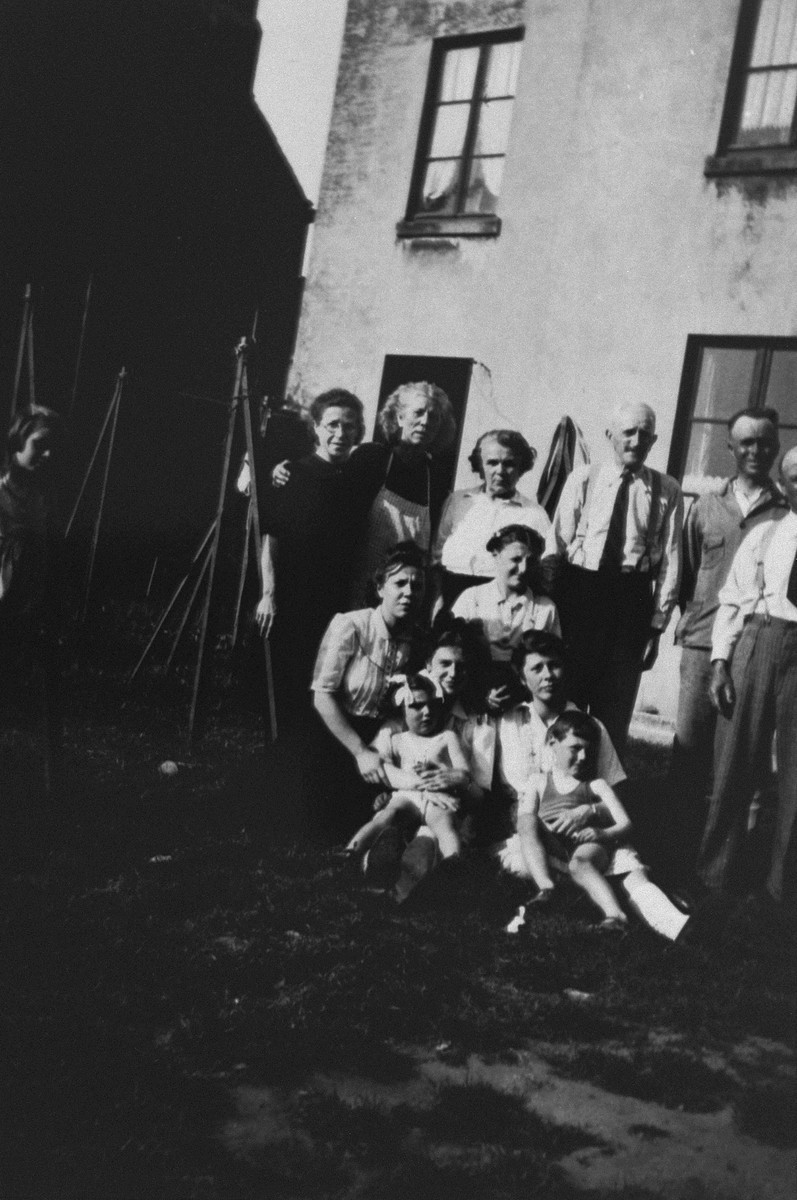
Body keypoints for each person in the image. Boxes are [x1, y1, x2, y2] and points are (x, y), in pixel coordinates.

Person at [671, 407, 784, 862]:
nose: (756, 450)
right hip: (702, 644)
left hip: (752, 649)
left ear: (776, 448)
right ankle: (675, 849)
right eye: (747, 442)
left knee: (737, 759)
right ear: (731, 447)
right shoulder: (706, 505)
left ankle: (722, 857)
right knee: (689, 751)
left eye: (765, 443)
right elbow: (687, 572)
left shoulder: (786, 511)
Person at [546, 401, 683, 755]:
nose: (636, 441)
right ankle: (560, 786)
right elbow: (556, 547)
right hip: (580, 594)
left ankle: (604, 796)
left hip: (630, 601)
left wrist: (656, 626)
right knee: (569, 700)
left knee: (614, 710)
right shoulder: (584, 478)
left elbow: (670, 561)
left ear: (654, 440)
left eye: (645, 434)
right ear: (610, 436)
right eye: (628, 432)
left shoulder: (666, 490)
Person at [697, 446, 797, 908]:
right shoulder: (767, 533)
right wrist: (721, 661)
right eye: (795, 478)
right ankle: (717, 874)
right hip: (760, 642)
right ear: (784, 484)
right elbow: (733, 601)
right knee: (736, 760)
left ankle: (782, 886)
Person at [511, 712, 689, 939]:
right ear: (552, 743)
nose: (584, 756)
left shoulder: (596, 785)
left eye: (589, 749)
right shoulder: (538, 781)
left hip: (589, 844)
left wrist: (600, 832)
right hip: (552, 845)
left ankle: (615, 916)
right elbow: (525, 819)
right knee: (526, 821)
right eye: (575, 748)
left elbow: (625, 824)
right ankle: (546, 888)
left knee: (580, 863)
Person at [255, 389, 366, 726]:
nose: (340, 433)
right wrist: (268, 594)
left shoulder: (358, 481)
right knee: (288, 676)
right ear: (317, 428)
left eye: (349, 426)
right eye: (332, 424)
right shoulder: (295, 474)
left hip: (336, 596)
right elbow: (271, 538)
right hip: (293, 592)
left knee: (326, 676)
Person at [311, 541, 426, 837]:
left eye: (417, 586)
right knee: (328, 827)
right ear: (380, 588)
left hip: (381, 738)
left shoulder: (416, 640)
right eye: (399, 583)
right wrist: (361, 752)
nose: (409, 593)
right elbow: (322, 696)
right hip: (336, 735)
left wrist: (380, 746)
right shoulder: (351, 625)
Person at [0, 406, 65, 795]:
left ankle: (51, 793)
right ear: (16, 444)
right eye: (39, 446)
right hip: (6, 613)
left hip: (41, 615)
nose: (47, 455)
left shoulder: (46, 499)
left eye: (52, 448)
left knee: (47, 707)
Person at [346, 674, 470, 876]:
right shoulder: (397, 740)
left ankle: (453, 867)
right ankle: (349, 854)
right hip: (407, 796)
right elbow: (385, 774)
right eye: (417, 706)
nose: (427, 712)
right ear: (401, 710)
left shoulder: (447, 737)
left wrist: (445, 775)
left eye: (432, 705)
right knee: (387, 815)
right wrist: (384, 796)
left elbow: (464, 773)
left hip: (439, 796)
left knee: (445, 825)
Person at [345, 381, 456, 606]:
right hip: (358, 587)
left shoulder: (435, 478)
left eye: (433, 417)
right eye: (418, 412)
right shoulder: (372, 459)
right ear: (399, 418)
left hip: (405, 597)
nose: (425, 421)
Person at [432, 429, 551, 610]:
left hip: (499, 604)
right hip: (450, 595)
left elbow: (543, 572)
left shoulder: (534, 514)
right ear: (480, 465)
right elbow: (436, 557)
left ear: (522, 467)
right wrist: (437, 601)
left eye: (509, 463)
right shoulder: (458, 501)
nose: (500, 471)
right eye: (492, 463)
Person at [452, 524, 559, 711]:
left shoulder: (544, 608)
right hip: (472, 697)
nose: (523, 568)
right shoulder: (472, 598)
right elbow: (450, 653)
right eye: (515, 559)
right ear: (496, 555)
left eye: (531, 561)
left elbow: (553, 664)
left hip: (524, 702)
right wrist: (479, 694)